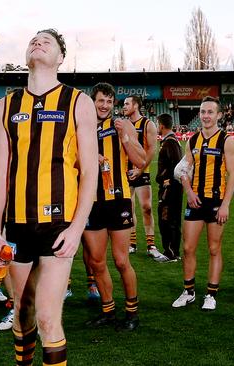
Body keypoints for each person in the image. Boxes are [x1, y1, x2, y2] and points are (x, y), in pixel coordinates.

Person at [0, 29, 98, 366]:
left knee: (49, 318)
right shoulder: (6, 106)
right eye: (33, 40)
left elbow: (90, 173)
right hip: (16, 227)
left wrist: (77, 228)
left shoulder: (79, 102)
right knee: (23, 314)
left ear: (61, 57)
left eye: (47, 41)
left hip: (58, 227)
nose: (38, 42)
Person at [83, 82, 146, 331]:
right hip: (91, 202)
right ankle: (108, 311)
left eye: (109, 101)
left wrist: (125, 137)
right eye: (101, 100)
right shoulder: (81, 127)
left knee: (121, 261)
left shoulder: (122, 124)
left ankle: (132, 313)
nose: (105, 105)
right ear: (93, 101)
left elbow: (140, 160)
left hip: (118, 200)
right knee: (97, 262)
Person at [172, 96, 234, 311]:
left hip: (217, 202)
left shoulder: (226, 140)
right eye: (202, 112)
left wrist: (226, 204)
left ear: (219, 115)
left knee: (213, 248)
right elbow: (183, 170)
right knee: (188, 247)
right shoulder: (192, 140)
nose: (206, 116)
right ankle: (189, 291)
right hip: (195, 201)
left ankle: (211, 294)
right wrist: (189, 191)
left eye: (210, 112)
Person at [123, 95, 166, 261]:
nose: (124, 106)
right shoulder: (123, 124)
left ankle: (151, 245)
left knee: (146, 207)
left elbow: (151, 150)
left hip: (142, 172)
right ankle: (132, 243)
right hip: (125, 172)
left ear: (136, 105)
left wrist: (140, 170)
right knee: (129, 208)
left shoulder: (148, 124)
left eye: (127, 103)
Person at [156, 113, 183, 261]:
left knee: (167, 219)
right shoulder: (171, 141)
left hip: (170, 188)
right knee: (170, 219)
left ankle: (171, 252)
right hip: (172, 187)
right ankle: (173, 251)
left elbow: (177, 164)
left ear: (161, 125)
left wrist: (166, 180)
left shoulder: (170, 142)